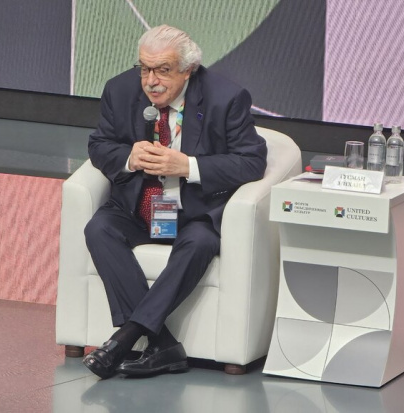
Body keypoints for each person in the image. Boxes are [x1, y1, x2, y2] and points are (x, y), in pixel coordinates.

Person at [82, 24, 267, 379]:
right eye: (144, 69)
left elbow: (252, 161)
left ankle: (125, 338)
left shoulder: (225, 98)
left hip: (192, 213)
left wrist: (189, 166)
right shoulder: (119, 90)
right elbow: (99, 145)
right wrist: (128, 158)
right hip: (138, 207)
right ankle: (162, 344)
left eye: (163, 70)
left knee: (199, 243)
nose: (151, 81)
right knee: (99, 228)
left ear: (188, 70)